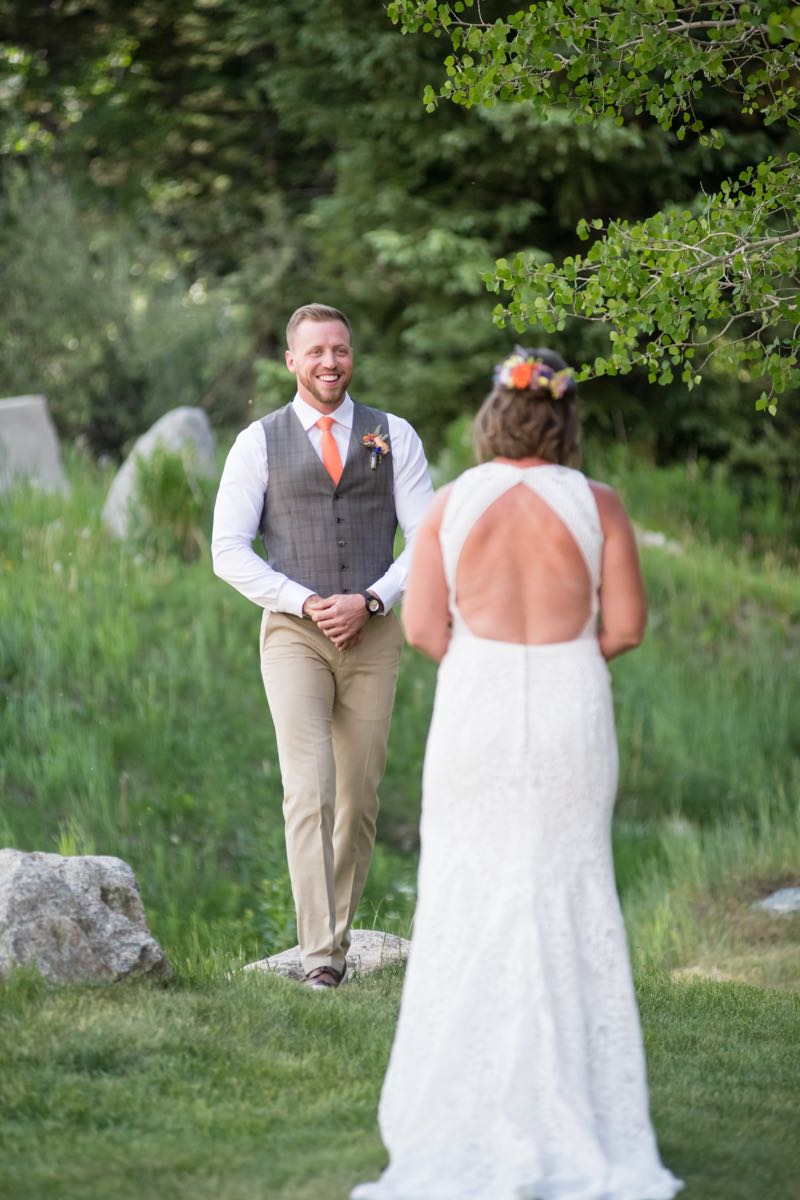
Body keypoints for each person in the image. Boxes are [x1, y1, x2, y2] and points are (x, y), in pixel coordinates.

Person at [352, 349, 682, 1198]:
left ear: (494, 417)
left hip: (479, 703)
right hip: (572, 699)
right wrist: (566, 657)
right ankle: (577, 1101)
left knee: (469, 885)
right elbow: (630, 628)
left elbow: (425, 629)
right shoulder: (599, 504)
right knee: (569, 884)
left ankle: (468, 1099)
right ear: (566, 420)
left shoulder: (453, 506)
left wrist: (494, 665)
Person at [211, 303, 434, 990]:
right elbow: (227, 550)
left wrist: (370, 601)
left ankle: (335, 937)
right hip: (293, 638)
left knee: (360, 797)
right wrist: (305, 600)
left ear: (351, 355)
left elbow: (427, 540)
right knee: (309, 790)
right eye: (316, 352)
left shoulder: (393, 435)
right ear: (291, 361)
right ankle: (321, 959)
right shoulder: (258, 442)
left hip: (374, 636)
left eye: (340, 349)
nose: (330, 362)